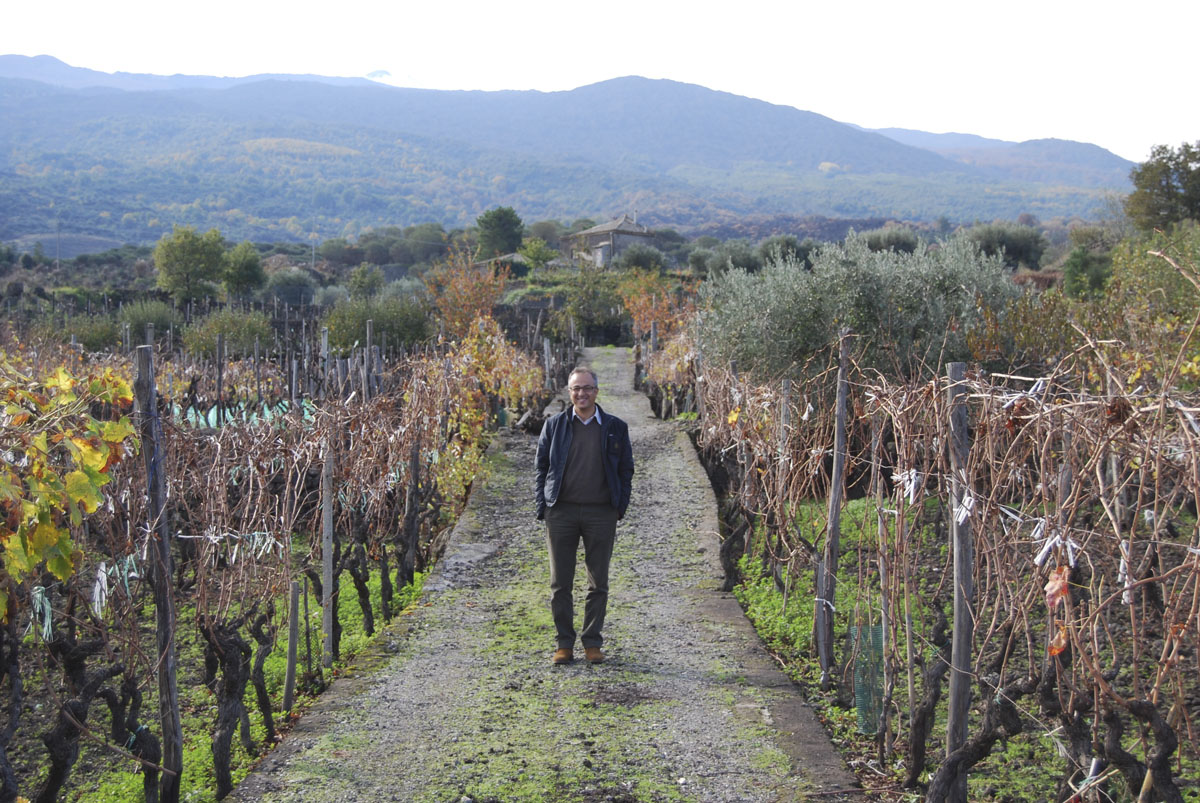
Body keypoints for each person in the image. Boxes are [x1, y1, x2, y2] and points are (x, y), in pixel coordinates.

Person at [535, 367, 634, 665]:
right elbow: (541, 466)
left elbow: (626, 470)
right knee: (559, 583)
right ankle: (564, 643)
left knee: (598, 582)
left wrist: (619, 506)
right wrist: (543, 505)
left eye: (588, 388)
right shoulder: (554, 426)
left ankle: (592, 642)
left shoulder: (616, 427)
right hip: (561, 511)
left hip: (601, 513)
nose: (582, 393)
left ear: (596, 391)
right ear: (569, 392)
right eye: (577, 388)